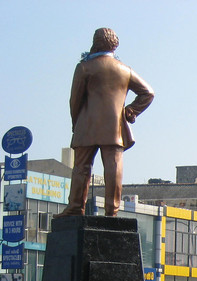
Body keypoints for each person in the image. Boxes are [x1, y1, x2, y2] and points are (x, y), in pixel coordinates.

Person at [57, 28, 154, 218]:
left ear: (95, 43)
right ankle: (112, 210)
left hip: (86, 125)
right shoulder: (124, 69)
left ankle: (76, 207)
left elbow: (74, 100)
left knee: (81, 168)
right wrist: (131, 110)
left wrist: (75, 124)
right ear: (114, 46)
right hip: (114, 127)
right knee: (113, 167)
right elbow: (148, 92)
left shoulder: (84, 67)